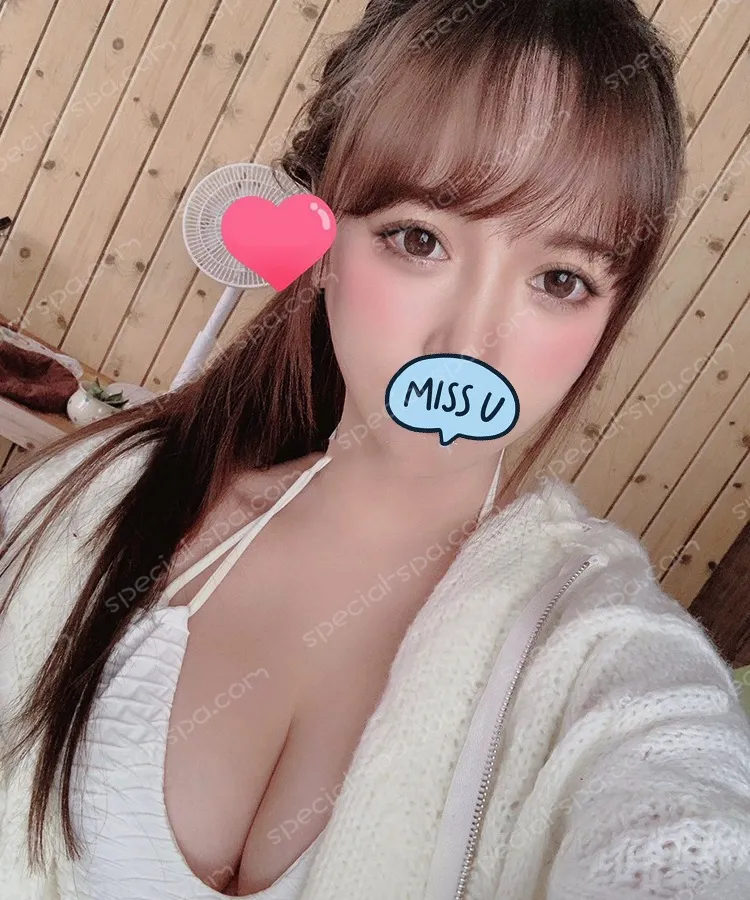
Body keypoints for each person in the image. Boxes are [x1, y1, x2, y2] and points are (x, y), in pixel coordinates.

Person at [1, 1, 750, 898]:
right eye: (418, 239)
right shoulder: (102, 494)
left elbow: (678, 801)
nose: (470, 340)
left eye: (560, 279)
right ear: (322, 243)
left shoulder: (592, 644)